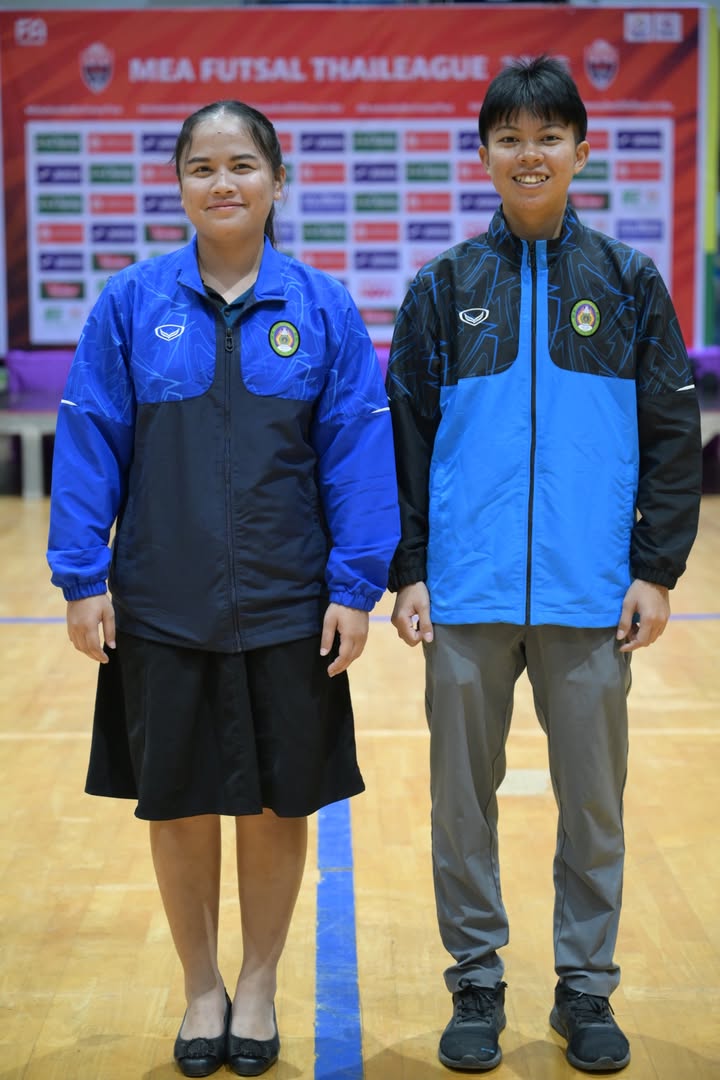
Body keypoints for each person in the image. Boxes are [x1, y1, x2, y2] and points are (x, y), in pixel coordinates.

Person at [47, 99, 399, 1078]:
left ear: (278, 181)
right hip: (161, 606)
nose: (223, 182)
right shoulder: (129, 304)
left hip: (290, 607)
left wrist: (355, 585)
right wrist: (81, 576)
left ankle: (258, 983)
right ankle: (201, 985)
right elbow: (89, 438)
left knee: (280, 805)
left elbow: (357, 452)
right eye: (201, 167)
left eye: (242, 164)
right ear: (179, 186)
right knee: (177, 804)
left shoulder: (322, 308)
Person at [386, 56, 702, 1075]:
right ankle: (476, 980)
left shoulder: (627, 281)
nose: (531, 155)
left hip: (590, 594)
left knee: (595, 807)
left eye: (549, 137)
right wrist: (410, 569)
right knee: (460, 806)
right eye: (511, 139)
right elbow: (404, 439)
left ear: (581, 150)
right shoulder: (443, 288)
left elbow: (673, 433)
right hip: (466, 594)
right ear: (484, 155)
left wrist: (655, 568)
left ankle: (586, 988)